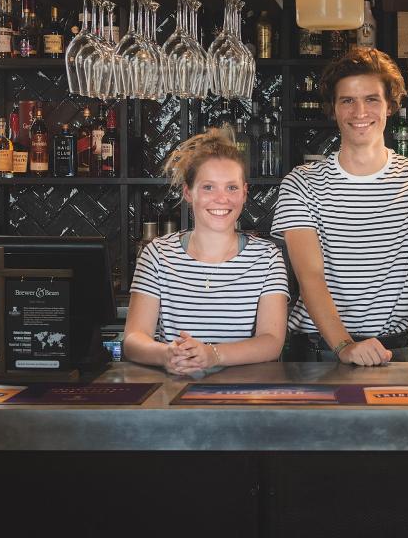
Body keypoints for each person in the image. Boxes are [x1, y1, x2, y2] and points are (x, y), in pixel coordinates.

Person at [272, 47, 408, 368]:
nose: (359, 111)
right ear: (333, 109)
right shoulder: (302, 183)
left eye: (372, 99)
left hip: (395, 355)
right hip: (315, 357)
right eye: (347, 100)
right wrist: (344, 345)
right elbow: (310, 275)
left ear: (390, 106)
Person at [124, 126, 289, 374]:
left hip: (245, 396)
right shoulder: (156, 255)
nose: (221, 199)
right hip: (171, 394)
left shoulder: (266, 258)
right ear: (188, 193)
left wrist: (212, 355)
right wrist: (166, 354)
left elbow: (271, 342)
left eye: (231, 187)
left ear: (244, 193)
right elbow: (134, 339)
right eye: (208, 187)